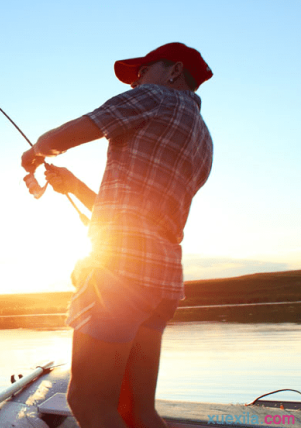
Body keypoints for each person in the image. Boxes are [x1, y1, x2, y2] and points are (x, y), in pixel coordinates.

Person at [21, 42, 214, 428]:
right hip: (162, 280)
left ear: (174, 71)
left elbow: (63, 136)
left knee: (89, 402)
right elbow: (137, 214)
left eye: (142, 71)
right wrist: (74, 186)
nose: (136, 82)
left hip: (120, 273)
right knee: (138, 410)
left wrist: (37, 152)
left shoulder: (154, 97)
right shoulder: (204, 139)